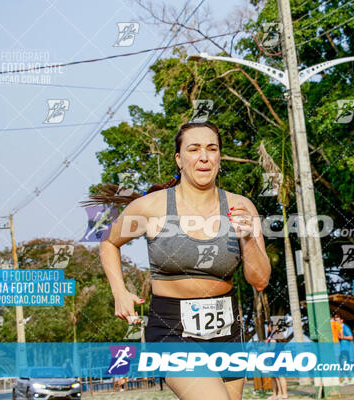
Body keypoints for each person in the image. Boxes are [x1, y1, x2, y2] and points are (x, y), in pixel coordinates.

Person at [96, 121, 271, 400]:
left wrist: (248, 238)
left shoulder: (241, 207)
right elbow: (108, 242)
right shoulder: (152, 207)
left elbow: (260, 280)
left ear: (219, 158)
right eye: (194, 149)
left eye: (212, 149)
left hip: (226, 327)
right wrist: (119, 291)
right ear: (179, 159)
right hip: (171, 327)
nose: (204, 156)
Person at [265, 321, 288, 400]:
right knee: (274, 376)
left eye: (269, 326)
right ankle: (276, 394)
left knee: (281, 376)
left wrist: (264, 348)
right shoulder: (271, 335)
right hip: (272, 357)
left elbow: (272, 347)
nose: (268, 328)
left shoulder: (276, 335)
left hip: (278, 357)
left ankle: (284, 394)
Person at [337, 317, 354, 386]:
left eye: (337, 320)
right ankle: (345, 379)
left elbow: (351, 337)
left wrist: (343, 337)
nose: (336, 321)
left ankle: (353, 378)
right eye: (335, 320)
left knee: (344, 364)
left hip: (345, 348)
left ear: (341, 320)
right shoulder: (338, 328)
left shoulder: (345, 327)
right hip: (340, 349)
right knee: (342, 364)